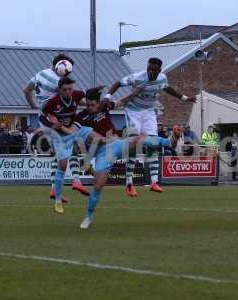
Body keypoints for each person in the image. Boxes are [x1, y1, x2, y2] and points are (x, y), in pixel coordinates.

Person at [75, 88, 180, 229]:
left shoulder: (104, 106)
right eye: (87, 105)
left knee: (138, 139)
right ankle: (89, 216)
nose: (89, 108)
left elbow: (121, 102)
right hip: (102, 153)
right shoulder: (81, 117)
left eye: (92, 105)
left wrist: (135, 93)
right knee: (98, 186)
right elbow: (74, 132)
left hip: (117, 144)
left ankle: (169, 142)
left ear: (98, 103)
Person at [104, 57, 196, 197]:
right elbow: (118, 83)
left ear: (159, 70)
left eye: (154, 70)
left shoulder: (162, 78)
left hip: (149, 112)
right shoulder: (138, 77)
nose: (151, 72)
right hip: (133, 111)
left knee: (153, 144)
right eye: (149, 69)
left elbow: (167, 88)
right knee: (134, 145)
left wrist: (185, 98)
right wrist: (107, 96)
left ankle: (154, 182)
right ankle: (129, 184)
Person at [23, 53, 88, 201]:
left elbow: (26, 90)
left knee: (59, 153)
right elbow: (74, 98)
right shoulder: (57, 81)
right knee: (71, 148)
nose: (69, 73)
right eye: (69, 70)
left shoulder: (39, 74)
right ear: (61, 66)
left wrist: (33, 105)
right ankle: (76, 181)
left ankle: (54, 188)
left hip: (43, 118)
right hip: (55, 119)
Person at [39, 77, 103, 214]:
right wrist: (51, 124)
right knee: (62, 164)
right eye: (65, 90)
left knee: (95, 136)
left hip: (73, 129)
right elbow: (41, 115)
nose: (68, 92)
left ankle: (87, 165)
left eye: (70, 89)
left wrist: (97, 89)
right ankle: (57, 200)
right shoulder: (53, 102)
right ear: (59, 90)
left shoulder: (77, 95)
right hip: (58, 134)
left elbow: (87, 92)